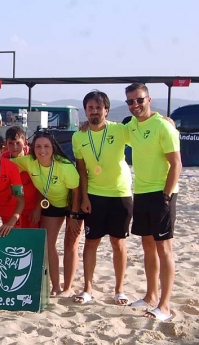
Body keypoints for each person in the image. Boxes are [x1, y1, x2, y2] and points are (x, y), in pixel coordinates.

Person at [125, 83, 181, 321]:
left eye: (139, 100)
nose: (135, 105)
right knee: (147, 244)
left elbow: (176, 164)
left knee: (164, 248)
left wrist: (166, 196)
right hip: (142, 192)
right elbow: (110, 130)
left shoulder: (162, 126)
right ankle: (150, 296)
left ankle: (165, 306)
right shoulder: (131, 126)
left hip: (162, 193)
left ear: (149, 99)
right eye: (130, 102)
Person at [71, 90, 133, 305]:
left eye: (98, 107)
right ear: (85, 111)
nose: (94, 111)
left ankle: (119, 290)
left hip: (120, 194)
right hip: (95, 196)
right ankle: (88, 289)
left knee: (118, 242)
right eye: (90, 108)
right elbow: (81, 171)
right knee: (91, 241)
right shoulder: (78, 136)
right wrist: (84, 198)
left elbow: (145, 126)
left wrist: (165, 119)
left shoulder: (121, 130)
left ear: (106, 110)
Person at [12, 131, 82, 297]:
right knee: (48, 244)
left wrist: (73, 217)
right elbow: (5, 163)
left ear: (53, 148)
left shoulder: (64, 165)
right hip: (51, 203)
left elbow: (77, 192)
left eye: (46, 146)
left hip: (73, 203)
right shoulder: (29, 162)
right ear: (32, 149)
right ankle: (56, 287)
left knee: (70, 245)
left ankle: (68, 287)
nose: (42, 150)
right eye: (38, 146)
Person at [3, 126, 41, 228]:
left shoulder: (34, 158)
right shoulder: (2, 159)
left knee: (31, 241)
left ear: (25, 143)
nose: (15, 147)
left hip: (32, 209)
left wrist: (38, 209)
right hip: (12, 209)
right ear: (5, 144)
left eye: (18, 143)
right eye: (11, 143)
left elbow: (42, 186)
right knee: (13, 241)